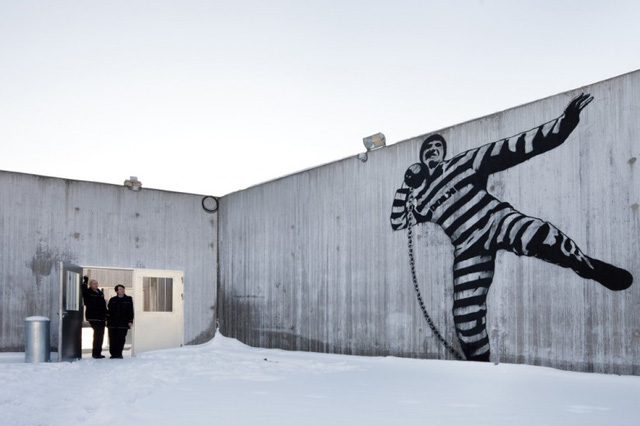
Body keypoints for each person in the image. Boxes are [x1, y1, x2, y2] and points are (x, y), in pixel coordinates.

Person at [390, 93, 633, 362]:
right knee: (465, 317)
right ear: (421, 158)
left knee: (538, 235)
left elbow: (512, 148)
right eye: (428, 148)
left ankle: (587, 266)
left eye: (438, 146)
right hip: (467, 248)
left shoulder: (463, 163)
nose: (433, 150)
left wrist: (563, 125)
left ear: (443, 152)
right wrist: (406, 186)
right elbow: (399, 221)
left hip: (495, 221)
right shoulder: (422, 200)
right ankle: (479, 365)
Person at [81, 276, 108, 359]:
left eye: (97, 283)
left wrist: (106, 314)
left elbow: (103, 305)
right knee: (97, 334)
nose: (96, 285)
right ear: (90, 285)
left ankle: (98, 352)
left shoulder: (100, 293)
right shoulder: (88, 292)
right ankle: (95, 353)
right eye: (94, 283)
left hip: (101, 317)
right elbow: (84, 290)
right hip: (93, 316)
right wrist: (85, 282)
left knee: (101, 335)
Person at [107, 284, 134, 359]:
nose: (122, 290)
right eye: (120, 289)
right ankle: (113, 354)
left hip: (123, 322)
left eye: (123, 289)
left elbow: (130, 311)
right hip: (112, 323)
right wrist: (107, 319)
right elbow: (109, 310)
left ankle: (119, 353)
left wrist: (130, 320)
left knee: (121, 338)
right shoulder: (112, 300)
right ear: (117, 291)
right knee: (112, 338)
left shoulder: (128, 299)